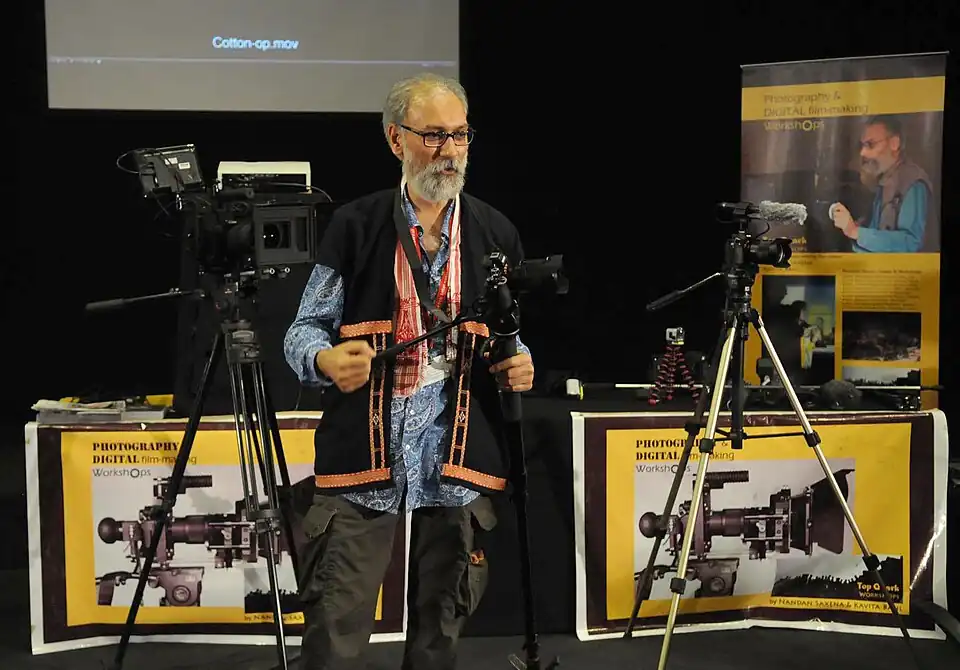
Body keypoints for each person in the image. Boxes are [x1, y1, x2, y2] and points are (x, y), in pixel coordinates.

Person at [283, 72, 534, 669]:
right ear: (397, 141)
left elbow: (511, 338)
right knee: (337, 625)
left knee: (441, 626)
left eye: (460, 136)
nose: (449, 151)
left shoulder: (496, 232)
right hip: (365, 453)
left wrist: (521, 366)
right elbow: (302, 330)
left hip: (457, 453)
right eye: (433, 136)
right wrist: (323, 359)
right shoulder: (357, 225)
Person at [830, 115, 935, 252]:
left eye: (870, 144)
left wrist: (855, 232)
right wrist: (852, 227)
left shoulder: (913, 183)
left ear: (894, 143)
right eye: (862, 145)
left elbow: (912, 243)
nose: (863, 153)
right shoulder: (885, 180)